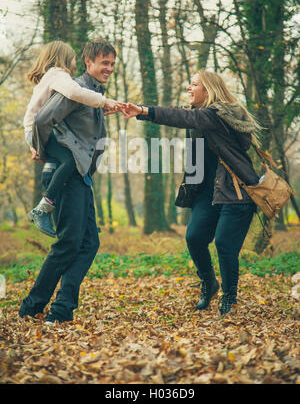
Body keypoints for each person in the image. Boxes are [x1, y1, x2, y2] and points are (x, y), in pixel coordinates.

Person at [123, 70, 261, 316]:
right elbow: (180, 114)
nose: (188, 88)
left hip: (235, 190)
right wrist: (142, 111)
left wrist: (144, 111)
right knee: (194, 237)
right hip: (208, 192)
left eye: (194, 84)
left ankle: (230, 296)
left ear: (208, 91)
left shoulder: (217, 115)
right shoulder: (201, 115)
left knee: (224, 244)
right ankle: (209, 283)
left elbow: (184, 118)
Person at [19, 38, 123, 325]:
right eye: (104, 63)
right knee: (69, 243)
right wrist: (38, 149)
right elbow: (42, 119)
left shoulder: (92, 93)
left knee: (88, 243)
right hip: (64, 176)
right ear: (87, 62)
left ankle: (61, 306)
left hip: (80, 176)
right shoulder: (74, 89)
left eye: (112, 64)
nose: (109, 68)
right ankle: (36, 307)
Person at [24, 40, 123, 237]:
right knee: (71, 160)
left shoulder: (51, 76)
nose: (74, 64)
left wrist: (99, 111)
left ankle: (77, 222)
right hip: (37, 130)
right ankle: (42, 210)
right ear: (64, 59)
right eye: (73, 59)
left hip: (35, 130)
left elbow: (69, 113)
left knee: (70, 161)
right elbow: (73, 93)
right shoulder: (59, 75)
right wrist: (102, 101)